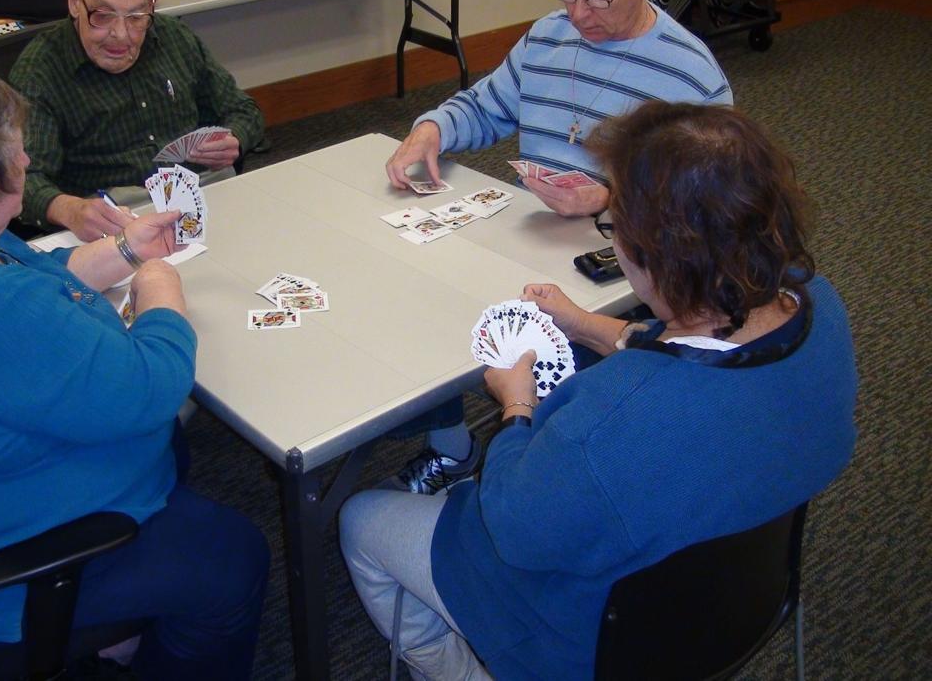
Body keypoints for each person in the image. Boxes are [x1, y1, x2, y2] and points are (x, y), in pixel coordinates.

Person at [340, 101, 858, 680]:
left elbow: (511, 526)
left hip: (598, 643)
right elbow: (689, 344)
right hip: (745, 581)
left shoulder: (611, 420)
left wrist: (516, 407)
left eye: (615, 228)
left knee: (360, 518)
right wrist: (586, 324)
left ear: (655, 258)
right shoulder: (819, 305)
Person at [0, 63, 269, 679]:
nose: (27, 161)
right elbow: (152, 386)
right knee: (234, 561)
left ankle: (117, 632)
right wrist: (158, 286)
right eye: (17, 152)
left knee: (174, 461)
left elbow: (34, 275)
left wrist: (125, 251)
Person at [381, 0, 732, 493]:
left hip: (622, 274)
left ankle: (535, 468)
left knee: (555, 384)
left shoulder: (690, 75)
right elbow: (486, 107)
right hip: (528, 239)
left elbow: (712, 208)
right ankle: (453, 446)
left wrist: (610, 198)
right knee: (412, 295)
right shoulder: (549, 36)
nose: (578, 13)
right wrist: (432, 128)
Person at [9, 0, 266, 242]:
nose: (120, 35)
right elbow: (20, 179)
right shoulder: (40, 71)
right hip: (110, 219)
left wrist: (235, 138)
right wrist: (68, 209)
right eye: (103, 16)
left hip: (199, 194)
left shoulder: (174, 37)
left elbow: (244, 110)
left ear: (152, 5)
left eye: (136, 17)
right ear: (75, 2)